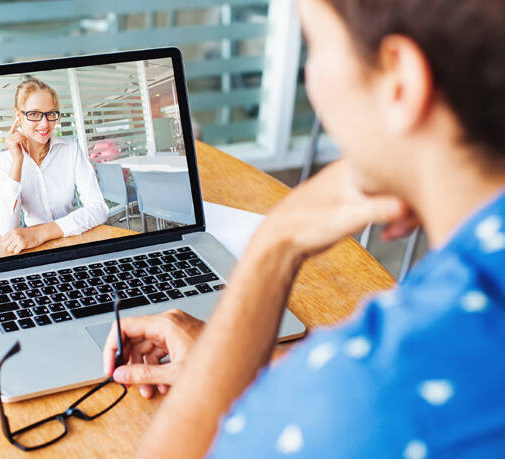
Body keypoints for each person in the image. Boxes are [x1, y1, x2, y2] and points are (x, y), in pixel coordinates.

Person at [102, 0, 505, 457]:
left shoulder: (368, 395)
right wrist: (242, 361)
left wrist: (273, 245)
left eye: (314, 44)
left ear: (401, 83)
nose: (310, 80)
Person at [0, 78, 108, 254]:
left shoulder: (70, 149)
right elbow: (6, 229)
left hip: (73, 238)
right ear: (18, 116)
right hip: (34, 249)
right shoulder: (7, 160)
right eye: (34, 114)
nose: (45, 123)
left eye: (51, 114)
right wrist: (17, 161)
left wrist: (41, 233)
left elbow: (99, 208)